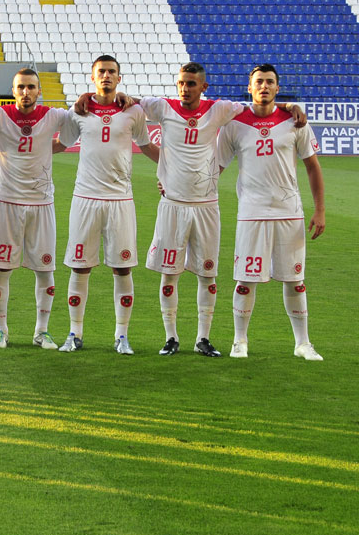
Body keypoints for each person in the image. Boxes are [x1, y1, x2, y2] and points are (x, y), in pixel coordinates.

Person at [130, 63, 306, 357]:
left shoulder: (221, 109)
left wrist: (289, 104)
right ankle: (171, 337)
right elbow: (127, 102)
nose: (185, 88)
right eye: (181, 83)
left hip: (207, 205)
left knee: (207, 274)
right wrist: (91, 97)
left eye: (191, 83)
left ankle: (203, 338)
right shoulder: (162, 107)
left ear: (203, 87)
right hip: (172, 204)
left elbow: (261, 105)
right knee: (169, 273)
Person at [215, 64, 325, 360]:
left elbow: (312, 166)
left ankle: (302, 343)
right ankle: (240, 341)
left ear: (278, 88)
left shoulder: (295, 122)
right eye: (259, 82)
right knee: (245, 279)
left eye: (270, 82)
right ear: (249, 88)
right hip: (252, 213)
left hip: (290, 212)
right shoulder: (234, 123)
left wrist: (320, 211)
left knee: (295, 280)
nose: (264, 86)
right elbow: (216, 168)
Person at [57, 55, 158, 355]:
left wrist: (175, 170)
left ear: (119, 77)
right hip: (85, 199)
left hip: (120, 200)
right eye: (101, 71)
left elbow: (148, 146)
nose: (106, 76)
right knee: (79, 269)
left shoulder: (133, 112)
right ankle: (74, 333)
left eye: (111, 72)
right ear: (92, 77)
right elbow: (59, 145)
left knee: (122, 268)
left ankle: (122, 336)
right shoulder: (78, 111)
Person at [0, 68, 70, 349]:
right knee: (1, 267)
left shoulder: (54, 115)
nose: (26, 92)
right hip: (7, 202)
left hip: (41, 202)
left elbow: (68, 137)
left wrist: (43, 150)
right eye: (20, 87)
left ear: (39, 90)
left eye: (31, 87)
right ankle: (1, 331)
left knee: (45, 270)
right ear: (13, 90)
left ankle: (41, 332)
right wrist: (1, 158)